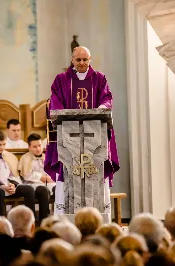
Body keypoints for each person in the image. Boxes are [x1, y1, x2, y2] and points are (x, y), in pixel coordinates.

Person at [45, 46, 120, 214]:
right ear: (72, 60)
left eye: (85, 59)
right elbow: (55, 101)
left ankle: (98, 214)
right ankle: (68, 215)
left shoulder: (99, 79)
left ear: (90, 59)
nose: (81, 63)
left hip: (94, 136)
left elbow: (107, 98)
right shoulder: (61, 80)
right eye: (78, 59)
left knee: (95, 169)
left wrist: (102, 107)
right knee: (68, 172)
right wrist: (62, 113)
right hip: (68, 137)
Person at [19, 133, 53, 220]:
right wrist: (41, 177)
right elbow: (26, 175)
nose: (38, 149)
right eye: (34, 147)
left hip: (48, 183)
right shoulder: (25, 158)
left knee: (60, 189)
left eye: (39, 145)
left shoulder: (47, 157)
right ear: (29, 147)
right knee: (43, 191)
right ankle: (44, 219)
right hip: (33, 185)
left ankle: (58, 218)